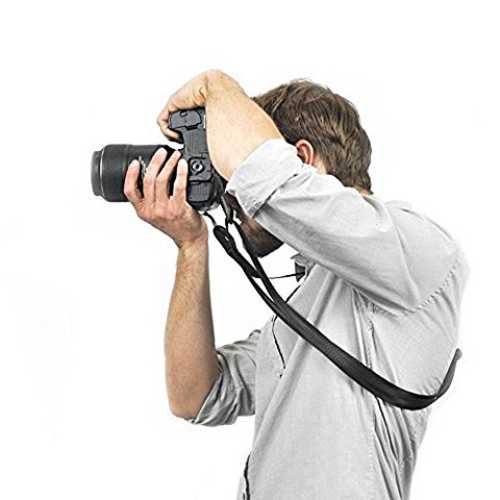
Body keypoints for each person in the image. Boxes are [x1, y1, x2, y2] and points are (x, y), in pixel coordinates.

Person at [123, 70, 469, 500]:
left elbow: (267, 178)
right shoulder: (305, 309)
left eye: (232, 178)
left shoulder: (419, 250)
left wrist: (215, 86)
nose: (232, 196)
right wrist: (191, 246)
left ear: (301, 159)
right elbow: (196, 396)